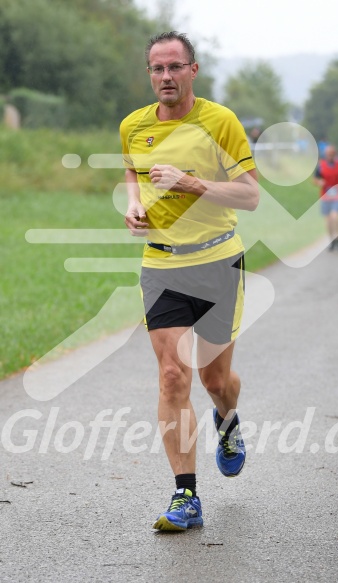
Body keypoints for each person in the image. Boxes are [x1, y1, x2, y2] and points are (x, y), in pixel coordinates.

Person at [120, 31, 259, 531]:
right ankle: (186, 497)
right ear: (149, 74)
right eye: (157, 69)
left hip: (217, 261)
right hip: (161, 265)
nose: (165, 77)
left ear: (192, 70)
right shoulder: (133, 126)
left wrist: (191, 182)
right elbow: (134, 176)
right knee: (172, 376)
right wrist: (133, 205)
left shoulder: (219, 122)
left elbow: (249, 197)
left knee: (215, 380)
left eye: (175, 67)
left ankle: (227, 419)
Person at [314, 145, 338, 251]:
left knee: (335, 217)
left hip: (337, 195)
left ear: (335, 154)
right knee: (328, 221)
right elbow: (315, 179)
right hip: (325, 196)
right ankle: (332, 239)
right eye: (328, 154)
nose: (330, 156)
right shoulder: (321, 166)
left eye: (332, 154)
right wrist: (319, 182)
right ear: (326, 154)